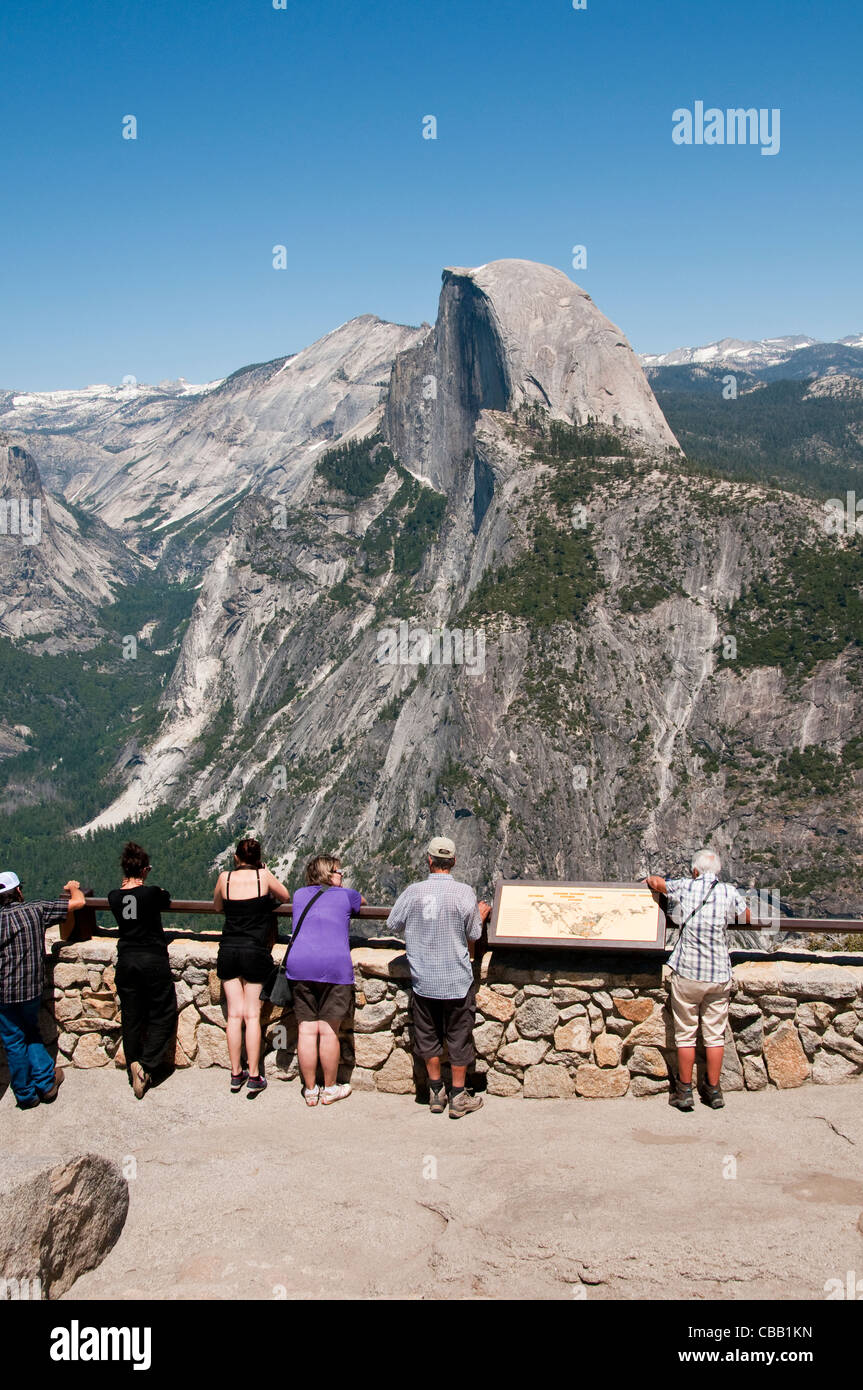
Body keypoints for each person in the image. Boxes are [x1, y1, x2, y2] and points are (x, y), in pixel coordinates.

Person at [387, 836, 491, 1118]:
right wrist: (480, 916)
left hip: (424, 981)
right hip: (456, 980)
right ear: (454, 861)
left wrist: (420, 926)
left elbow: (393, 923)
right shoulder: (465, 893)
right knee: (459, 1037)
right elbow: (473, 934)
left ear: (429, 861)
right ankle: (458, 1097)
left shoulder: (413, 892)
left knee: (427, 1035)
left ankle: (436, 1092)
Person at [645, 849, 750, 1111]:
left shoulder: (685, 887)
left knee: (685, 1034)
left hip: (688, 972)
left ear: (694, 871)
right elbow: (746, 916)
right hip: (718, 974)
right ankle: (713, 1091)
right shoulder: (728, 891)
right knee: (715, 1035)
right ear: (717, 872)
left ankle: (684, 1091)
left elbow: (657, 883)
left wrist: (651, 879)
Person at [0, 870, 84, 1109]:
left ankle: (26, 1095)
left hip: (3, 993)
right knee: (31, 1032)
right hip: (30, 989)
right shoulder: (35, 910)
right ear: (18, 891)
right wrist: (72, 886)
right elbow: (78, 902)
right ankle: (46, 1083)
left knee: (13, 1041)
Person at [286, 854, 365, 1106]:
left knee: (307, 1029)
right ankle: (330, 1089)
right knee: (329, 1030)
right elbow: (361, 902)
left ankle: (310, 1090)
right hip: (334, 967)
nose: (342, 875)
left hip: (299, 965)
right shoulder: (346, 895)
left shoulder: (298, 895)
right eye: (338, 871)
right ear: (328, 874)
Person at [213, 838, 290, 1095]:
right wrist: (265, 872)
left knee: (234, 1016)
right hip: (255, 951)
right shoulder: (262, 877)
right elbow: (285, 896)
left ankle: (236, 1073)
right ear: (258, 858)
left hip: (228, 950)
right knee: (252, 1015)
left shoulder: (224, 878)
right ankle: (255, 1074)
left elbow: (217, 905)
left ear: (236, 857)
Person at [107, 842, 176, 1100]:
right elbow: (165, 897)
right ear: (145, 870)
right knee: (164, 1011)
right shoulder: (151, 894)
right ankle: (146, 1065)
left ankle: (132, 1061)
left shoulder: (113, 897)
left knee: (132, 1016)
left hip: (126, 960)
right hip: (152, 959)